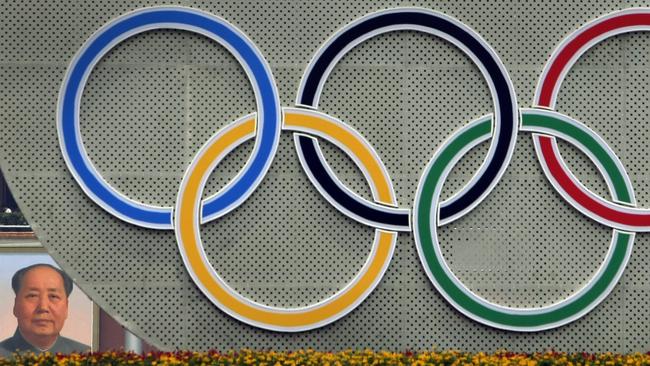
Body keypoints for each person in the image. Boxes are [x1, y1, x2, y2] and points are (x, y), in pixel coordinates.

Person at [0, 264, 89, 358]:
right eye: (32, 296)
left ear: (66, 307)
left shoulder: (88, 358)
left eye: (53, 296)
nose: (43, 307)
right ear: (16, 305)